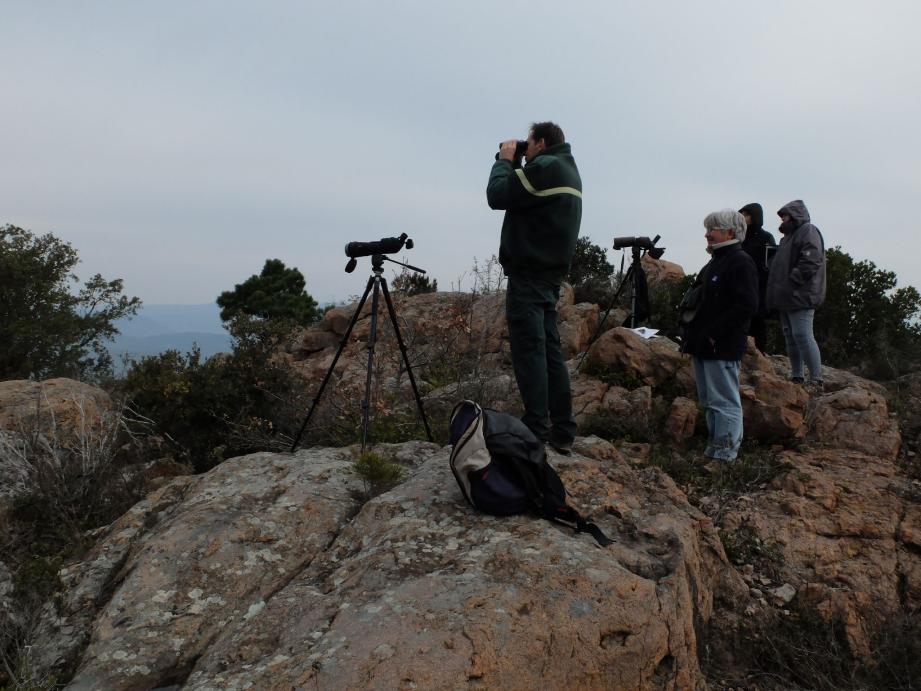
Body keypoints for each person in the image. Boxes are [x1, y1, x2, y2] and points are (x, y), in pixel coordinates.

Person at [486, 121, 582, 454]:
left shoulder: (546, 167)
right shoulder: (567, 169)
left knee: (530, 352)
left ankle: (536, 429)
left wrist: (504, 159)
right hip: (549, 275)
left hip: (529, 275)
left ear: (540, 143)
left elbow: (498, 195)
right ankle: (563, 428)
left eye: (528, 143)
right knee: (550, 353)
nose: (525, 149)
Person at [681, 209, 758, 462]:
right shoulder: (716, 261)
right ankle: (714, 450)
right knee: (709, 400)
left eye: (712, 229)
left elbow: (746, 305)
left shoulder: (740, 261)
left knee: (724, 401)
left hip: (721, 345)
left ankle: (725, 455)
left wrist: (714, 333)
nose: (707, 235)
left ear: (730, 232)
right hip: (704, 344)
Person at [765, 200, 826, 390]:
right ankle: (797, 376)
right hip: (786, 296)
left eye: (785, 215)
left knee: (802, 335)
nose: (782, 218)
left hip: (801, 295)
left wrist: (794, 279)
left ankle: (817, 379)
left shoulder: (808, 230)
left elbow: (812, 258)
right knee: (790, 336)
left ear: (795, 214)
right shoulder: (787, 238)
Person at [738, 202, 777, 353]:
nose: (743, 217)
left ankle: (760, 355)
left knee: (757, 322)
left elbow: (770, 264)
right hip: (738, 285)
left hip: (758, 286)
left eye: (747, 214)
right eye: (741, 214)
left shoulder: (765, 237)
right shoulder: (738, 236)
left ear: (755, 217)